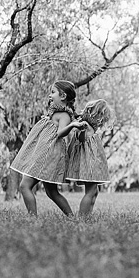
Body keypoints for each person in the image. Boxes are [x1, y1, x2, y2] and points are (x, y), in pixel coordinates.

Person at [10, 80, 85, 216]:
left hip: (47, 154)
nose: (50, 95)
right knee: (52, 192)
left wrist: (72, 125)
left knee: (24, 186)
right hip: (45, 152)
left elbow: (60, 133)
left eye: (53, 92)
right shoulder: (55, 112)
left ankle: (32, 218)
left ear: (62, 96)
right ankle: (72, 217)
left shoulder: (64, 115)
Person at [66, 99, 113, 216]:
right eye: (102, 117)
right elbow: (80, 138)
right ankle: (82, 218)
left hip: (91, 162)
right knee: (90, 192)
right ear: (96, 115)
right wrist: (82, 131)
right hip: (89, 163)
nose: (102, 121)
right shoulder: (85, 125)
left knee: (94, 191)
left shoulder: (89, 126)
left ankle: (87, 216)